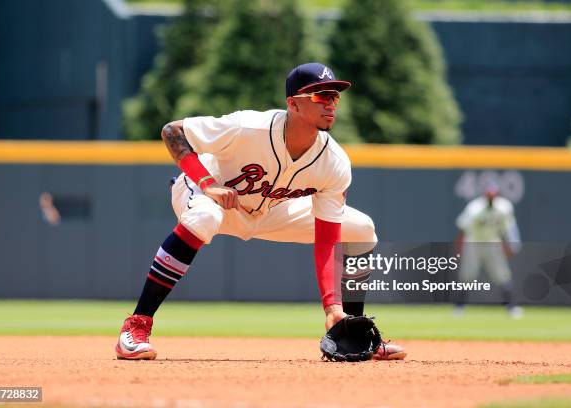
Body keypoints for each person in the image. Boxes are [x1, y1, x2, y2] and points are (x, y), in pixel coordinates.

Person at [115, 62, 406, 361]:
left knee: (361, 228)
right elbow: (172, 130)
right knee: (205, 218)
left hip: (269, 209)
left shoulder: (334, 162)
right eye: (320, 96)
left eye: (334, 96)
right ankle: (136, 327)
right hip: (206, 192)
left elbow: (327, 240)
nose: (330, 103)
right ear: (292, 103)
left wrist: (332, 307)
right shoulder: (248, 127)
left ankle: (355, 334)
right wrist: (208, 183)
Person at [454, 184, 523, 318]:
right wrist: (460, 245)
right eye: (489, 195)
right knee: (467, 275)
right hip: (474, 242)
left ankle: (510, 307)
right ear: (485, 195)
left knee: (502, 275)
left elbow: (509, 227)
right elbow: (463, 228)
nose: (491, 198)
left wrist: (513, 244)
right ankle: (459, 306)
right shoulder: (474, 208)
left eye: (493, 195)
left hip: (492, 242)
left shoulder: (504, 207)